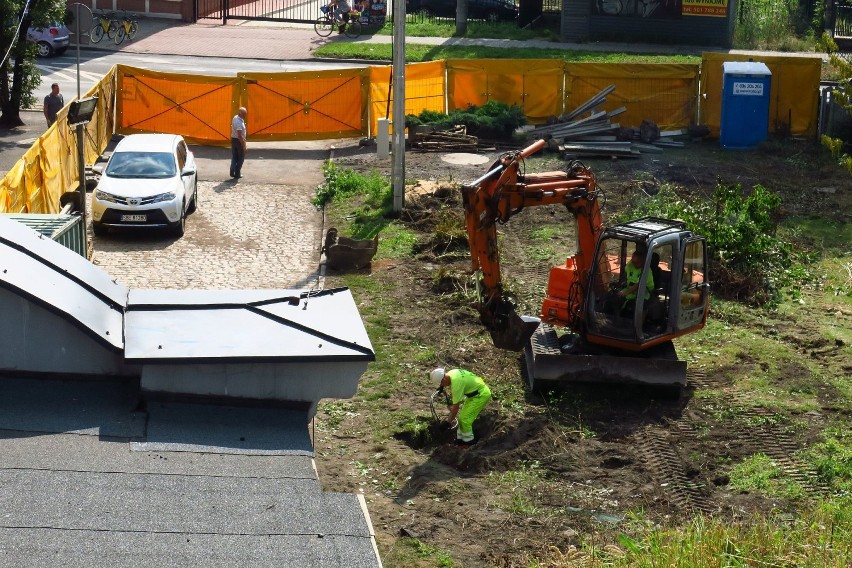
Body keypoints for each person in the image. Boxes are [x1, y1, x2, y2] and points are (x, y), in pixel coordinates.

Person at [430, 367, 491, 447]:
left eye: (441, 384)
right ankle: (460, 441)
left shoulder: (457, 385)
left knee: (465, 420)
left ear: (444, 379)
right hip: (475, 393)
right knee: (462, 418)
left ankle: (469, 443)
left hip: (481, 395)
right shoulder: (452, 372)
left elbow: (455, 409)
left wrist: (447, 423)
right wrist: (442, 387)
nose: (442, 385)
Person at [618, 247, 653, 317]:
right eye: (633, 261)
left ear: (643, 261)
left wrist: (625, 293)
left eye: (637, 263)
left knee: (639, 306)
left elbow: (638, 285)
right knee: (615, 299)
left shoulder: (646, 270)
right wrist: (622, 283)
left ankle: (639, 326)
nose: (634, 264)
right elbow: (625, 275)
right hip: (630, 290)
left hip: (644, 293)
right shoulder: (630, 265)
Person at [230, 107, 247, 180]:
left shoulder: (235, 117)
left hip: (233, 140)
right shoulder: (239, 122)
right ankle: (237, 173)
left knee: (234, 156)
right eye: (244, 114)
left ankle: (232, 170)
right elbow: (240, 135)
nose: (245, 115)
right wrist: (244, 146)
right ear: (240, 113)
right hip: (238, 141)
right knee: (241, 158)